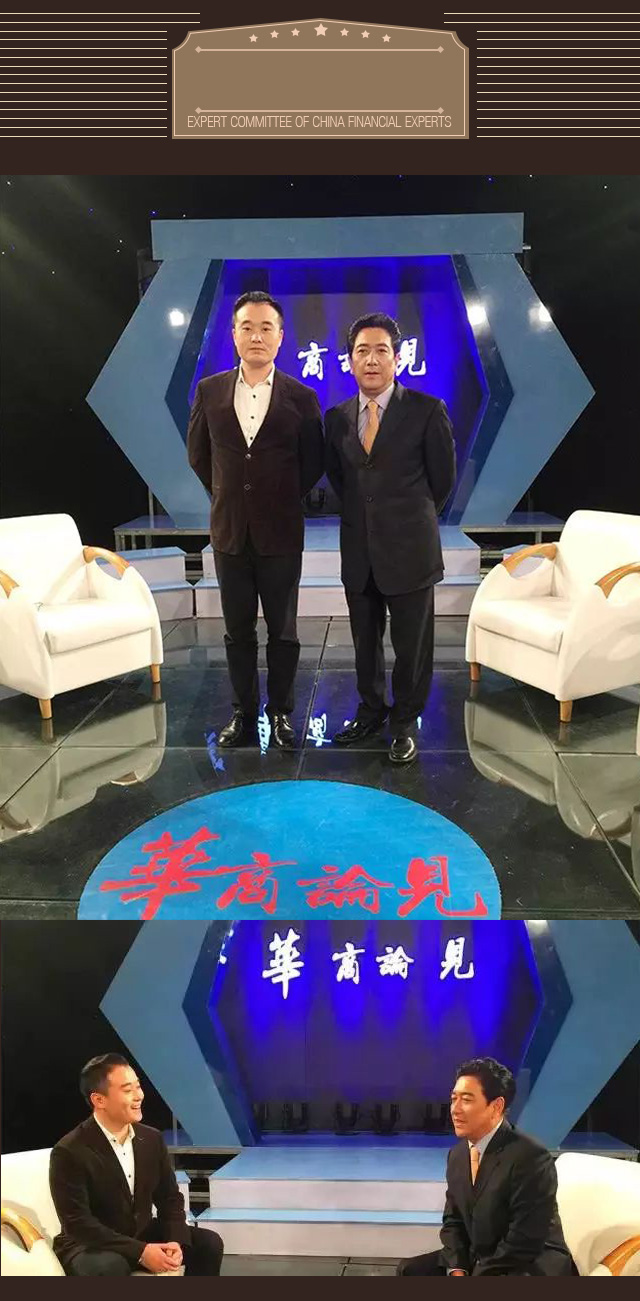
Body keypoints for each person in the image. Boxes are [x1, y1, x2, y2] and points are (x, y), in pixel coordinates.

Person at [187, 290, 324, 750]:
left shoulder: (302, 397)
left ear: (281, 337)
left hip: (281, 531)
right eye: (247, 327)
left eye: (266, 328)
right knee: (237, 631)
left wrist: (276, 496)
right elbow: (199, 456)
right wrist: (230, 494)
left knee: (283, 631)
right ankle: (243, 714)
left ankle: (280, 713)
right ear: (234, 334)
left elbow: (313, 462)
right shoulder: (209, 391)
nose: (257, 336)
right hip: (229, 533)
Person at [325, 312, 456, 765]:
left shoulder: (427, 410)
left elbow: (442, 481)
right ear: (350, 361)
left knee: (411, 648)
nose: (371, 359)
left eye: (381, 350)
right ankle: (370, 711)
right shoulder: (337, 418)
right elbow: (342, 481)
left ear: (397, 359)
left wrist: (407, 519)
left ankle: (403, 722)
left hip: (411, 551)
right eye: (362, 351)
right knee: (365, 644)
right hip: (359, 551)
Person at [49, 1053, 224, 1277]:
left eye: (138, 1087)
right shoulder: (69, 1151)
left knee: (208, 1244)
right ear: (99, 1100)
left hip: (141, 1233)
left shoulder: (151, 1139)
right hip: (91, 1243)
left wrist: (176, 1240)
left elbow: (169, 1198)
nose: (138, 1096)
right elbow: (78, 1223)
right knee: (108, 1267)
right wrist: (141, 1252)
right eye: (127, 1090)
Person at [397, 1057, 574, 1277]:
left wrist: (478, 1275)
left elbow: (523, 1240)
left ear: (496, 1106)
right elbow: (454, 1221)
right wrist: (457, 1269)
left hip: (527, 1264)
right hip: (481, 1255)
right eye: (453, 1099)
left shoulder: (531, 1157)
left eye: (466, 1100)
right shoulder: (458, 1155)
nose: (455, 1109)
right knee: (410, 1271)